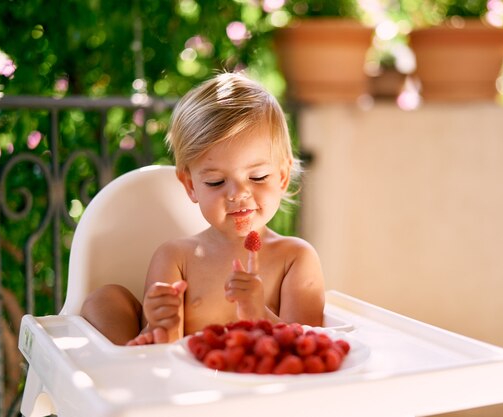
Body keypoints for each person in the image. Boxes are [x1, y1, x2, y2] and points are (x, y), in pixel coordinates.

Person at [80, 72, 325, 346]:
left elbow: (307, 351)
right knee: (103, 301)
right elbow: (167, 355)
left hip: (259, 384)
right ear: (191, 186)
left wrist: (261, 314)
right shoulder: (176, 257)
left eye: (257, 177)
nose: (238, 193)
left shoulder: (294, 259)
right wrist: (163, 325)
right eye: (216, 182)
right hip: (185, 384)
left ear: (282, 176)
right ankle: (119, 371)